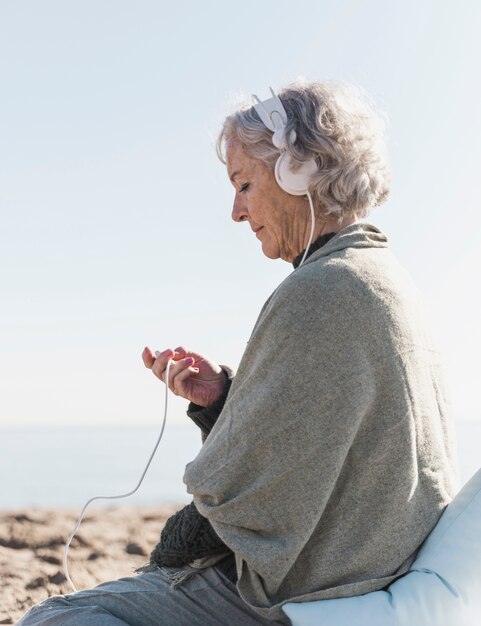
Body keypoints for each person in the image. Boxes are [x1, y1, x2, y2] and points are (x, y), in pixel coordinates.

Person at [17, 80, 458, 625]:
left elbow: (237, 498)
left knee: (56, 619)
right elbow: (311, 451)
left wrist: (171, 551)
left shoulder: (319, 291)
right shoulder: (383, 278)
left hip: (306, 591)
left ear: (299, 171)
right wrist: (224, 397)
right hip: (364, 574)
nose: (235, 211)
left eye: (244, 183)